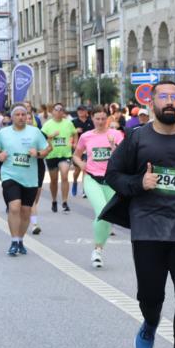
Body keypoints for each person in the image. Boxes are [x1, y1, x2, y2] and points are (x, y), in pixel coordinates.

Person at [102, 82, 175, 348]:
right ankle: (150, 321)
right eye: (163, 97)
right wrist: (139, 183)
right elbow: (113, 175)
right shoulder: (137, 138)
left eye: (174, 97)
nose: (169, 102)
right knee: (150, 295)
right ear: (152, 104)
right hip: (147, 228)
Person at [0, 105, 50, 256]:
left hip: (30, 178)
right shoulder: (3, 133)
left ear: (27, 116)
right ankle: (13, 241)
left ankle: (20, 240)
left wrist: (38, 153)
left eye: (23, 114)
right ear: (11, 117)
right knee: (14, 207)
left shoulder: (35, 132)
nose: (20, 117)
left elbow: (47, 149)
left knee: (25, 212)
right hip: (10, 175)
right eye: (17, 114)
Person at [73, 107, 123, 268]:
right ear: (92, 119)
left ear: (108, 119)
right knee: (102, 211)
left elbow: (124, 157)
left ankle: (99, 249)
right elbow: (76, 155)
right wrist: (81, 164)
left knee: (108, 215)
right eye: (97, 119)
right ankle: (96, 251)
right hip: (92, 178)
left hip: (111, 180)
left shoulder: (116, 135)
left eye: (103, 119)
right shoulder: (86, 136)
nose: (100, 122)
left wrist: (114, 147)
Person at [41, 103, 77, 214]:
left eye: (61, 109)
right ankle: (54, 200)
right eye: (56, 109)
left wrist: (75, 143)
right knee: (54, 180)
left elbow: (75, 133)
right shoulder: (47, 125)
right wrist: (51, 136)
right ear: (52, 112)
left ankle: (65, 202)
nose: (59, 111)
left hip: (65, 154)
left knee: (65, 176)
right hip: (52, 155)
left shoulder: (68, 123)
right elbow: (41, 138)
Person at [71, 105, 95, 198]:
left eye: (82, 110)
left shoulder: (91, 122)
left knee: (85, 168)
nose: (80, 112)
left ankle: (85, 190)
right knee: (77, 171)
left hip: (89, 148)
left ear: (86, 112)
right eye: (79, 110)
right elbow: (68, 135)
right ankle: (75, 182)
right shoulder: (73, 122)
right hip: (78, 149)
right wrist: (75, 131)